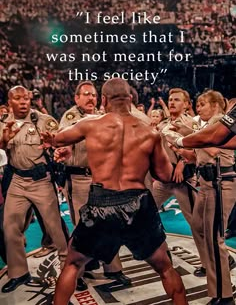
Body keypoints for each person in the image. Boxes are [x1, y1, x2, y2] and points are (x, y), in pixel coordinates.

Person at [41, 78, 188, 305]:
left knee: (72, 264)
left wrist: (52, 140)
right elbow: (165, 176)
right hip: (138, 204)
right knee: (165, 267)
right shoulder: (149, 133)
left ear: (103, 99)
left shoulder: (90, 124)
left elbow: (58, 138)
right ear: (130, 99)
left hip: (101, 202)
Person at [58, 80, 131, 289]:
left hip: (101, 178)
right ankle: (77, 275)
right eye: (86, 94)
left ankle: (114, 269)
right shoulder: (71, 116)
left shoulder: (102, 115)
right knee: (83, 227)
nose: (91, 98)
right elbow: (63, 140)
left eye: (94, 95)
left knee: (109, 222)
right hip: (79, 178)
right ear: (77, 98)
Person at [166, 90, 236, 305]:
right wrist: (180, 147)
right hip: (207, 182)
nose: (198, 108)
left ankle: (223, 295)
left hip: (220, 182)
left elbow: (214, 147)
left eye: (203, 103)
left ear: (216, 104)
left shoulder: (217, 122)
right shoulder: (207, 126)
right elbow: (197, 156)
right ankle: (215, 274)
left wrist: (181, 138)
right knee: (198, 227)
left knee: (215, 238)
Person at [0, 86, 68, 293]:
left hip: (41, 180)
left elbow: (61, 143)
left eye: (26, 98)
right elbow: (1, 148)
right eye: (18, 99)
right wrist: (5, 138)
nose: (23, 102)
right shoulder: (3, 122)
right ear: (10, 101)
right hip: (17, 181)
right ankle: (18, 273)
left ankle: (70, 271)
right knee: (10, 228)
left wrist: (54, 144)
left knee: (55, 229)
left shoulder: (43, 120)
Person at [152, 88, 198, 226]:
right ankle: (157, 245)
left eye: (176, 100)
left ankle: (209, 247)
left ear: (186, 104)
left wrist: (182, 162)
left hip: (183, 180)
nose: (172, 102)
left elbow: (198, 149)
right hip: (163, 181)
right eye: (170, 100)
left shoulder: (191, 124)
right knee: (147, 212)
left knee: (195, 222)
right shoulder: (162, 125)